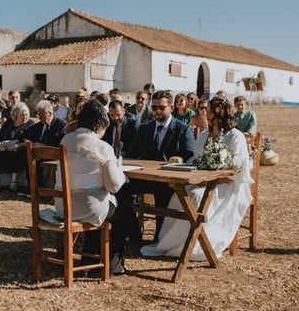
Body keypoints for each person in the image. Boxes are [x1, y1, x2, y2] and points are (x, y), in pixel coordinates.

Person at [141, 95, 253, 260]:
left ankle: (192, 244)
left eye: (207, 111)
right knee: (179, 195)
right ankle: (169, 243)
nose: (204, 113)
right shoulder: (204, 135)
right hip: (201, 181)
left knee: (194, 196)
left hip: (227, 185)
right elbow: (195, 160)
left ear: (218, 113)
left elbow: (237, 171)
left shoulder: (235, 136)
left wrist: (210, 179)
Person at [56, 99, 127, 276]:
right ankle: (112, 265)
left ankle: (90, 261)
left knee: (98, 203)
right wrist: (118, 166)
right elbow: (114, 185)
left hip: (63, 207)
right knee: (123, 210)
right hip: (89, 208)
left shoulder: (65, 140)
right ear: (101, 124)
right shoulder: (102, 146)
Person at [125, 90, 195, 236]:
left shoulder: (183, 130)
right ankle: (132, 232)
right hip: (144, 178)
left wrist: (179, 161)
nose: (157, 111)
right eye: (154, 107)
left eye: (161, 107)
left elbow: (190, 157)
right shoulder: (144, 128)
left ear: (171, 107)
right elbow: (131, 154)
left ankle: (160, 236)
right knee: (120, 188)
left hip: (168, 181)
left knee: (163, 193)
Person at [0, 102, 34, 193]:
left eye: (26, 115)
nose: (25, 117)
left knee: (16, 153)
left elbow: (28, 141)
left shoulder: (30, 124)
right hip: (5, 147)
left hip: (19, 148)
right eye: (22, 115)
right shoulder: (9, 122)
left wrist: (16, 146)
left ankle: (14, 184)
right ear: (16, 116)